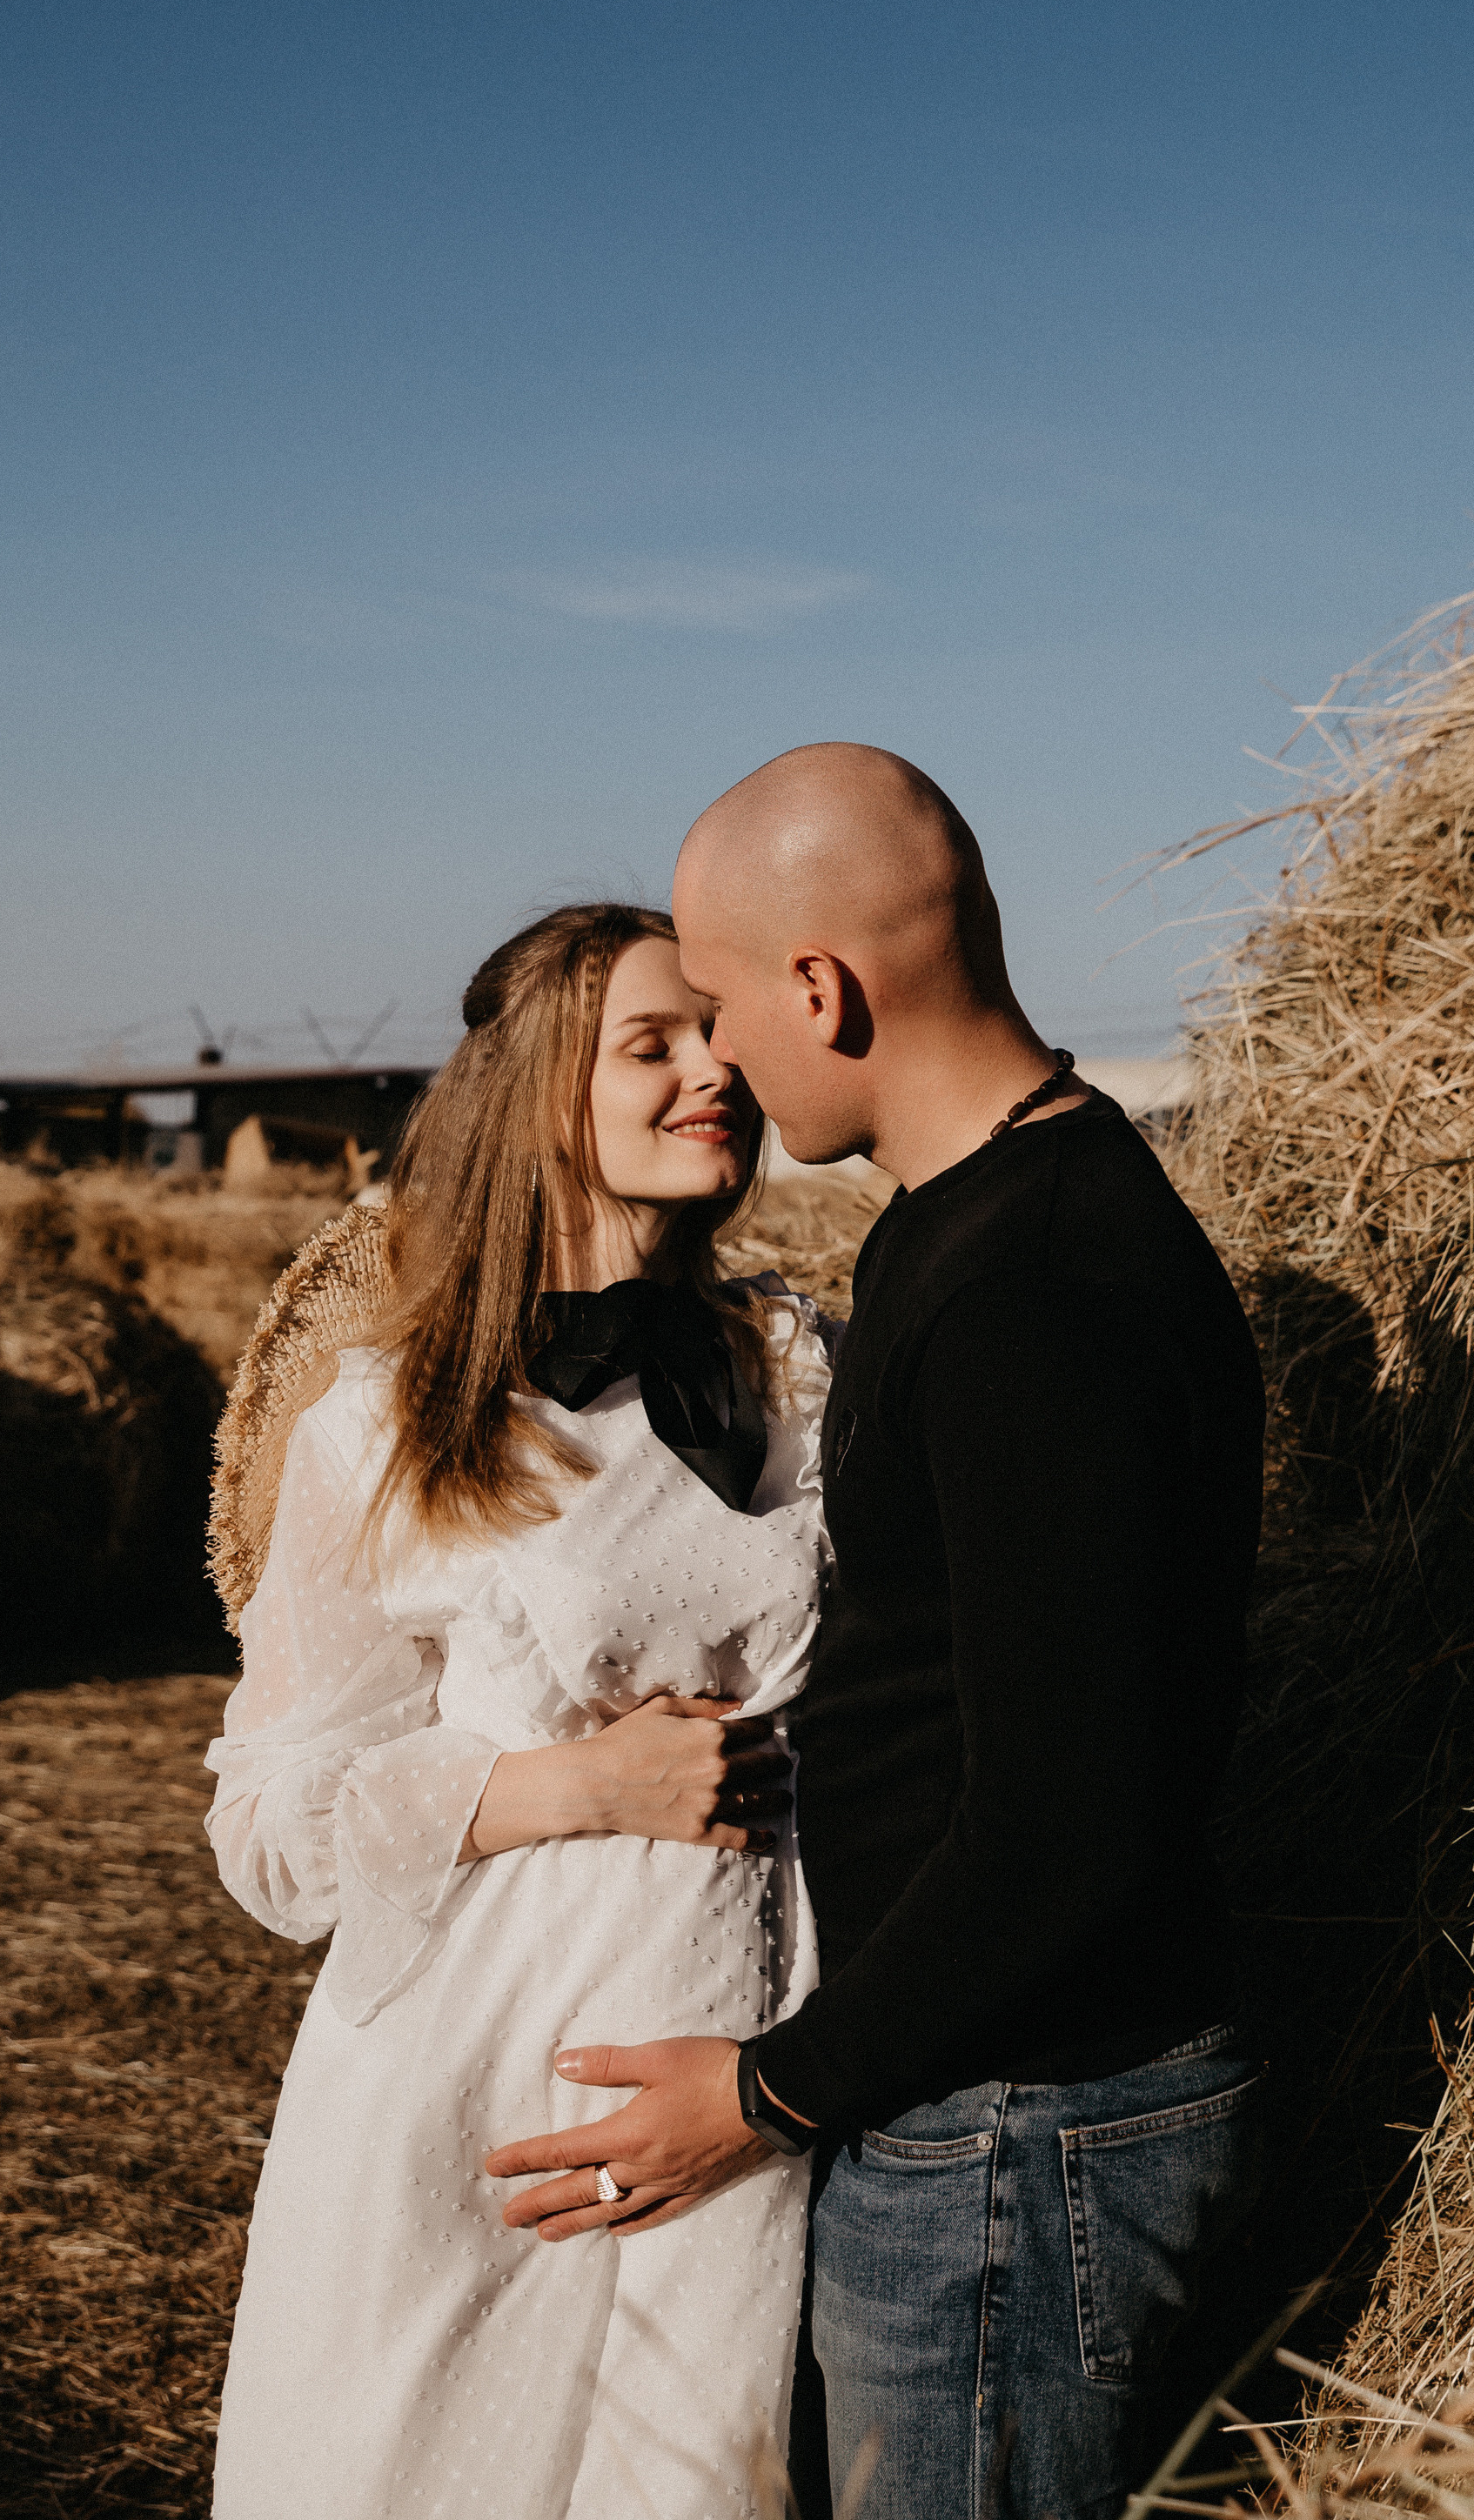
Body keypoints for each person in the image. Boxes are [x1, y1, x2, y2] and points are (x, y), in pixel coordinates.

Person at [486, 751, 1269, 2520]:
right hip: (970, 2095)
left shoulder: (1033, 1288)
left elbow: (1067, 1824)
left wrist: (766, 2089)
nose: (722, 1062)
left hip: (1017, 2128)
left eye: (723, 1006)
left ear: (818, 988)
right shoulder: (962, 1225)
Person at [204, 901, 835, 2520]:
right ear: (535, 1099)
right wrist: (570, 1787)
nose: (716, 1071)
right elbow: (270, 1834)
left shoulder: (796, 1370)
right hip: (469, 2069)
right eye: (654, 1045)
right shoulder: (384, 1426)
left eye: (716, 1036)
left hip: (736, 2042)